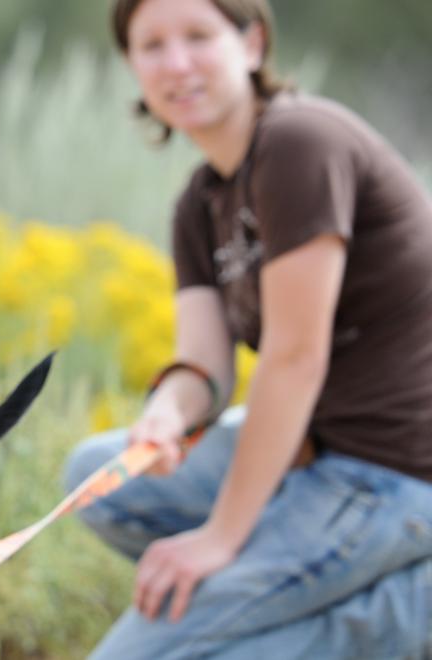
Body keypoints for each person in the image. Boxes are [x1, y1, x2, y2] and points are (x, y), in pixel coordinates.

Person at [63, 0, 432, 658]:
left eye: (199, 36)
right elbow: (205, 367)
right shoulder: (200, 203)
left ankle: (406, 610)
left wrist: (221, 539)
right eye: (152, 46)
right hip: (312, 455)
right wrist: (167, 413)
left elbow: (295, 357)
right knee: (99, 475)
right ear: (133, 66)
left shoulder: (300, 143)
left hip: (394, 469)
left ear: (253, 43)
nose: (176, 63)